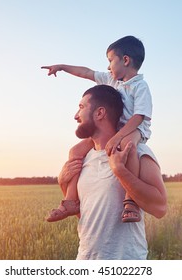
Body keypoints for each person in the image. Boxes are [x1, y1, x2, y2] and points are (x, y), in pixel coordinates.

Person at [42, 36, 152, 223]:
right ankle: (70, 200)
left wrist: (118, 137)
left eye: (110, 61)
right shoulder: (112, 80)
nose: (108, 67)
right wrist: (61, 67)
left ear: (125, 60)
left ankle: (131, 201)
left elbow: (138, 117)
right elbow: (86, 72)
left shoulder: (140, 86)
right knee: (75, 151)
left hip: (135, 130)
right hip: (117, 131)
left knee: (128, 147)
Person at [58, 84, 167, 259]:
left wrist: (120, 171)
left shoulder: (137, 152)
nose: (76, 116)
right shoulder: (82, 158)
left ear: (100, 113)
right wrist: (63, 183)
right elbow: (85, 215)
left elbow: (160, 208)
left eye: (81, 107)